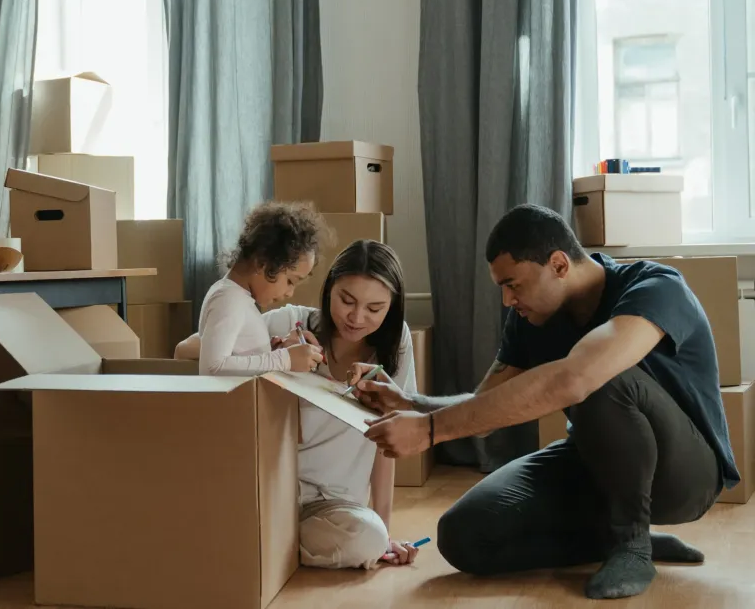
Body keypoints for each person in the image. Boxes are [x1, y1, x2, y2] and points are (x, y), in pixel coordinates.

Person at [356, 204, 735, 600]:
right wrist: (412, 404)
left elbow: (578, 378)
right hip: (596, 463)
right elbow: (485, 408)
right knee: (464, 535)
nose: (506, 300)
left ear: (558, 264)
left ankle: (632, 545)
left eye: (513, 285)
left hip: (686, 477)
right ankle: (612, 539)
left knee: (598, 377)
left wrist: (430, 432)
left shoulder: (656, 287)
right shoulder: (531, 318)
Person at [177, 239, 422, 569]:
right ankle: (265, 543)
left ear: (392, 308)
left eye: (375, 309)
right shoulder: (289, 323)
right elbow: (186, 350)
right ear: (329, 289)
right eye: (346, 300)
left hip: (333, 506)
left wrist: (385, 531)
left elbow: (387, 442)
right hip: (270, 491)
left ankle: (263, 545)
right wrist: (276, 355)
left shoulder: (396, 346)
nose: (357, 317)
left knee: (369, 539)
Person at [195, 201, 326, 376]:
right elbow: (212, 368)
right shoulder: (228, 299)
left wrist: (269, 352)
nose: (290, 293)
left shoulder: (239, 298)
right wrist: (284, 359)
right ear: (262, 262)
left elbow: (237, 360)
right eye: (290, 281)